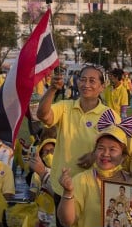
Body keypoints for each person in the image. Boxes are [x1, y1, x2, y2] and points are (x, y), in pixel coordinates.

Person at [37, 65, 109, 203]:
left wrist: (95, 155)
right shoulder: (65, 107)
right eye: (83, 80)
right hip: (62, 185)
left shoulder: (109, 115)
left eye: (92, 81)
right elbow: (43, 115)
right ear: (77, 82)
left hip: (91, 188)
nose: (86, 84)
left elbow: (116, 151)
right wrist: (52, 89)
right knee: (64, 223)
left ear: (102, 87)